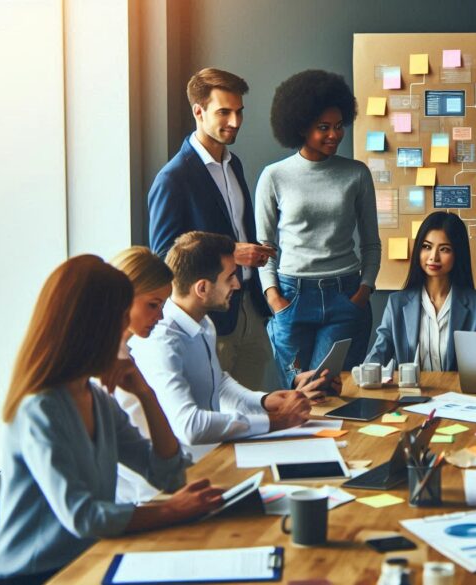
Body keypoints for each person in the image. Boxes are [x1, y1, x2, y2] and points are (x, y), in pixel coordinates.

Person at [0, 256, 223, 584]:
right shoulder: (39, 409)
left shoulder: (96, 398)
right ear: (89, 326)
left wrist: (147, 395)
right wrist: (173, 509)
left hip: (89, 558)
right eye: (118, 320)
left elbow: (169, 476)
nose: (122, 333)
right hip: (39, 574)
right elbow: (82, 516)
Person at [129, 232, 334, 450]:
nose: (237, 285)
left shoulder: (204, 322)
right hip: (187, 468)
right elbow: (189, 426)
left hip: (214, 453)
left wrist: (264, 402)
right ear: (202, 288)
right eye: (230, 277)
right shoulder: (161, 341)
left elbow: (218, 384)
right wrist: (277, 421)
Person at [147, 68, 275, 391]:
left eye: (239, 112)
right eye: (224, 112)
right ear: (198, 112)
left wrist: (252, 251)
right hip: (211, 317)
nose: (235, 121)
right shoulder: (172, 178)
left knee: (253, 415)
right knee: (218, 420)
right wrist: (233, 252)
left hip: (249, 309)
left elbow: (235, 228)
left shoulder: (235, 164)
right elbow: (166, 258)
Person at [257, 69, 379, 386]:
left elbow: (371, 243)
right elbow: (264, 246)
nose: (334, 135)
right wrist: (274, 299)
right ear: (300, 127)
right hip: (292, 297)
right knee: (299, 395)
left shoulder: (357, 174)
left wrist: (363, 291)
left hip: (345, 295)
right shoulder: (274, 176)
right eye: (323, 128)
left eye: (339, 126)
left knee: (332, 392)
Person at [365, 212, 476, 371]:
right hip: (410, 393)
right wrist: (362, 374)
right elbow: (378, 354)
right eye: (426, 247)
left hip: (456, 394)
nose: (433, 257)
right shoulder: (397, 303)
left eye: (444, 249)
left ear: (458, 254)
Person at [108, 246, 177, 503]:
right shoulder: (112, 363)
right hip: (132, 501)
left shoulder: (123, 352)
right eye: (153, 305)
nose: (160, 316)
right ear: (123, 297)